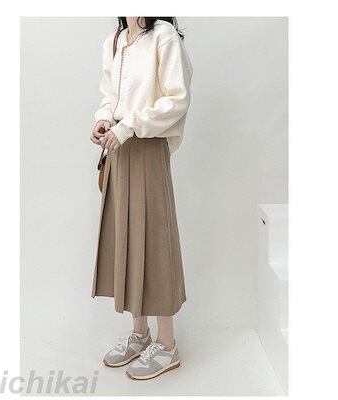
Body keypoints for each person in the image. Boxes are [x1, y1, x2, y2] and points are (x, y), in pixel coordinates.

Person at [90, 16, 192, 380]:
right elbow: (110, 95)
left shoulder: (163, 36)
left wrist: (128, 126)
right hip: (118, 149)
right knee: (127, 240)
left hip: (147, 147)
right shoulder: (115, 40)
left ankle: (167, 344)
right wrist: (104, 119)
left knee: (154, 241)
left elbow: (176, 99)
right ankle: (140, 332)